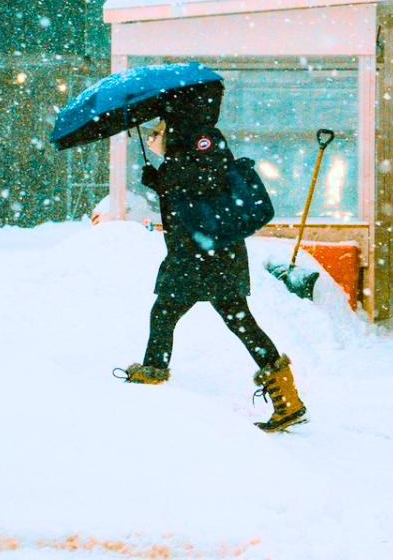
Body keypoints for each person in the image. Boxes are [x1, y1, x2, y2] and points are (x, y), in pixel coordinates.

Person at [115, 88, 306, 433]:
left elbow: (200, 190)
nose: (154, 138)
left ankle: (151, 378)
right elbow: (196, 196)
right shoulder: (192, 155)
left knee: (173, 314)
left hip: (201, 257)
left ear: (174, 130)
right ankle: (287, 400)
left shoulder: (197, 150)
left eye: (157, 132)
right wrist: (161, 180)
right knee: (234, 320)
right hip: (210, 256)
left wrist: (166, 178)